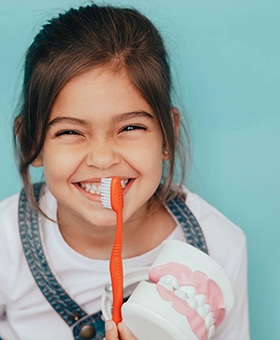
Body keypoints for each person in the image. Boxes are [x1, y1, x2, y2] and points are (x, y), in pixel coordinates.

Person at [0, 3, 250, 340]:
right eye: (70, 132)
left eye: (130, 127)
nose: (103, 159)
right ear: (32, 142)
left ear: (167, 136)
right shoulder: (6, 243)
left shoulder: (220, 247)